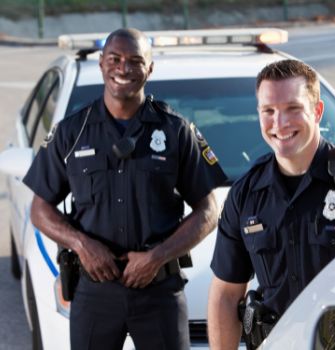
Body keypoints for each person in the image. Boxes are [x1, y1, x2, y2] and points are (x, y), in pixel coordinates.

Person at [23, 28, 226, 350]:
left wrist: (157, 257)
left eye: (135, 60)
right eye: (115, 59)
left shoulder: (175, 130)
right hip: (94, 293)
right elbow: (39, 209)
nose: (124, 68)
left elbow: (209, 209)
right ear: (102, 64)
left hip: (160, 292)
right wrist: (82, 245)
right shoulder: (72, 132)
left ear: (149, 68)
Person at [207, 59, 335, 349]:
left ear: (317, 111)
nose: (280, 123)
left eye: (293, 108)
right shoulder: (245, 194)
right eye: (269, 111)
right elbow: (226, 294)